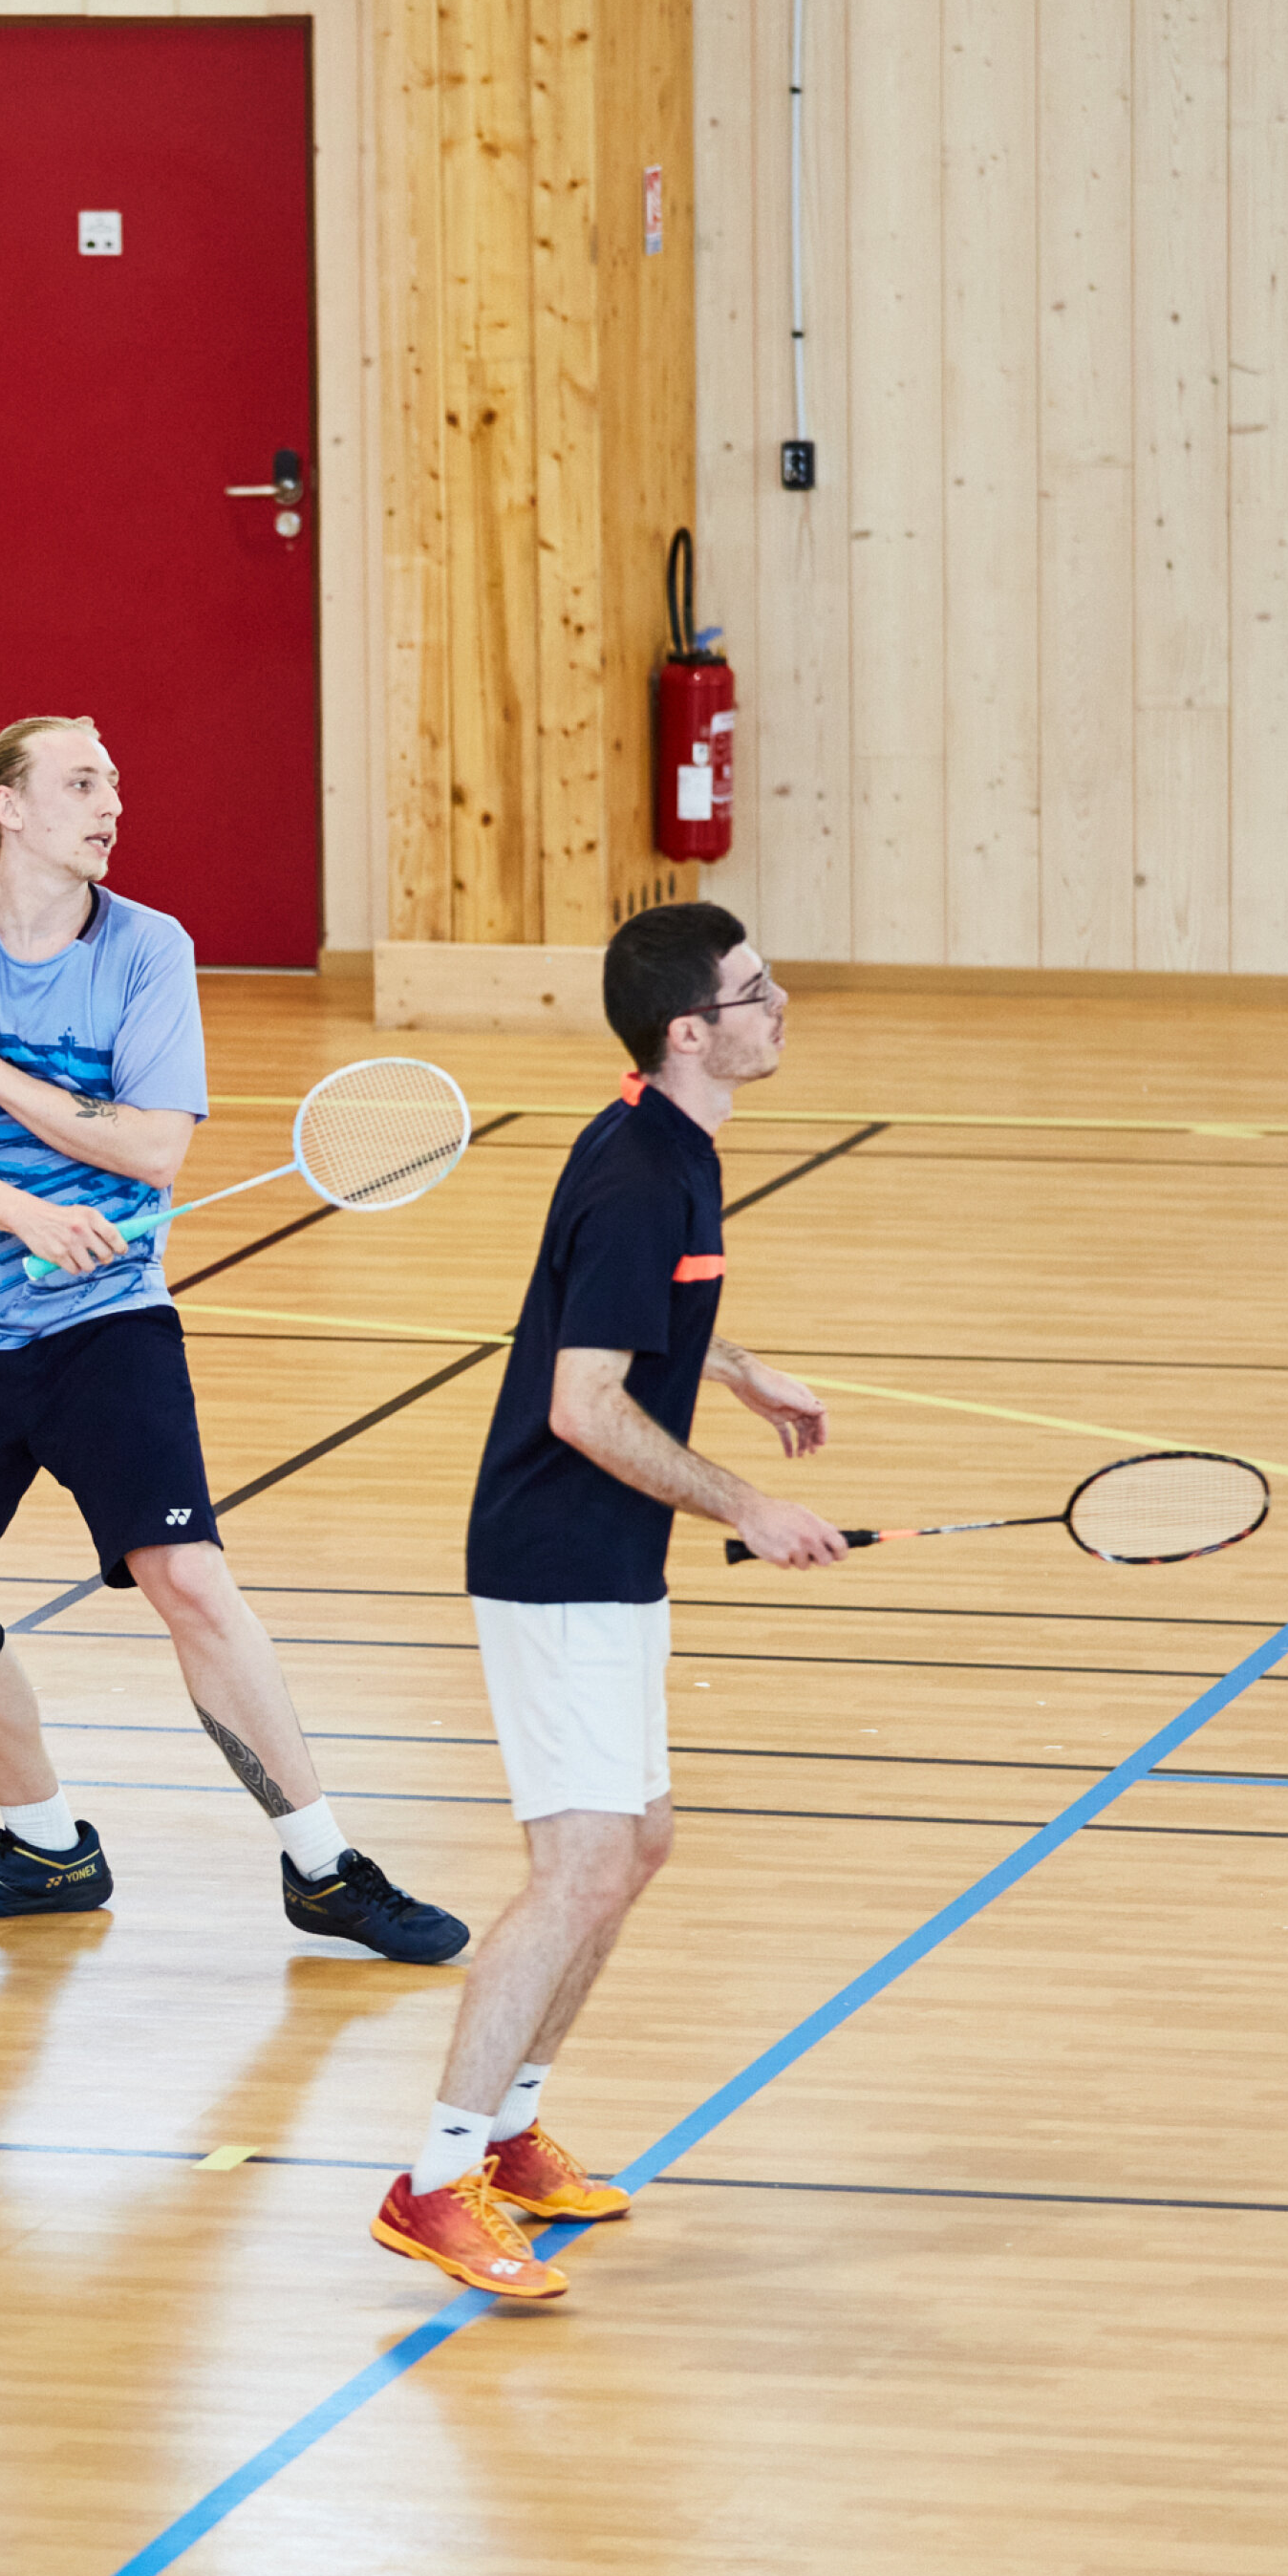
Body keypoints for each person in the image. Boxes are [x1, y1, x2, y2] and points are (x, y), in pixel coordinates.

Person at [0, 712, 467, 1963]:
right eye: (82, 782)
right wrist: (26, 1208)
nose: (112, 804)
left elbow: (151, 1146)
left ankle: (323, 1866)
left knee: (187, 1576)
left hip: (106, 1322)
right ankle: (44, 1848)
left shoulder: (147, 948)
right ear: (8, 806)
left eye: (115, 783)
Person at [372, 902, 847, 2300]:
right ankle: (433, 2182)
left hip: (608, 1558)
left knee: (636, 1841)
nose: (780, 1005)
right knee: (579, 1864)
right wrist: (747, 1505)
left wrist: (737, 1368)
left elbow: (631, 1314)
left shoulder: (669, 1140)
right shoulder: (644, 1172)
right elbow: (585, 1405)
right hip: (557, 1557)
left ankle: (509, 2138)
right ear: (690, 1031)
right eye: (754, 991)